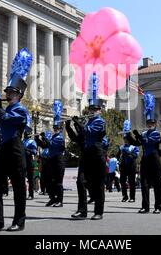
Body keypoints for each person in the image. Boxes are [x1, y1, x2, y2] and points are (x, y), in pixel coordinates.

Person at [0, 48, 32, 233]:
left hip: (15, 148)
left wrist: (0, 110)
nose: (8, 94)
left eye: (11, 91)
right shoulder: (4, 108)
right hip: (3, 148)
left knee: (19, 186)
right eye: (7, 91)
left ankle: (19, 221)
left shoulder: (20, 110)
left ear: (19, 94)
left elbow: (8, 119)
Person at [71, 73, 107, 220]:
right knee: (80, 181)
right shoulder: (87, 121)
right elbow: (80, 136)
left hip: (97, 153)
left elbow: (91, 132)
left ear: (99, 110)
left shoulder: (100, 121)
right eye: (90, 109)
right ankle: (82, 210)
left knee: (98, 183)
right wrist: (73, 125)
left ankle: (98, 211)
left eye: (94, 109)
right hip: (86, 153)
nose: (91, 112)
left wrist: (80, 124)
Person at [126, 92, 161, 214]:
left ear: (155, 124)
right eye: (148, 123)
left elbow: (147, 142)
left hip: (154, 158)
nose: (150, 125)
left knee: (157, 184)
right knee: (144, 184)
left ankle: (158, 206)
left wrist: (139, 136)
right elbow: (137, 143)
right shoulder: (144, 134)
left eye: (152, 123)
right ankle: (145, 206)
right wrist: (129, 135)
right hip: (145, 160)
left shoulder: (157, 134)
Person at [36, 100, 66, 207]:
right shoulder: (53, 137)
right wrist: (38, 139)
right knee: (49, 181)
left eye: (57, 128)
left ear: (60, 129)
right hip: (51, 160)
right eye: (54, 128)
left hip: (58, 160)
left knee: (58, 182)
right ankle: (52, 198)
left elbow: (51, 145)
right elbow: (45, 145)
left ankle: (60, 200)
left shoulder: (60, 138)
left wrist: (44, 137)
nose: (55, 129)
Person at [117, 120, 139, 203]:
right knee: (122, 181)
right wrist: (118, 160)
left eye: (127, 139)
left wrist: (129, 153)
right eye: (124, 139)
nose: (125, 140)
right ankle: (125, 196)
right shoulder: (121, 147)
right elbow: (117, 156)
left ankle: (132, 197)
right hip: (123, 165)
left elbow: (136, 155)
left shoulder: (134, 146)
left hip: (131, 165)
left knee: (131, 182)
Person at [23, 115, 37, 200]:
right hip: (22, 161)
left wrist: (27, 149)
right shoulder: (22, 141)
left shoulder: (32, 141)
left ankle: (31, 194)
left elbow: (34, 152)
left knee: (31, 179)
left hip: (29, 161)